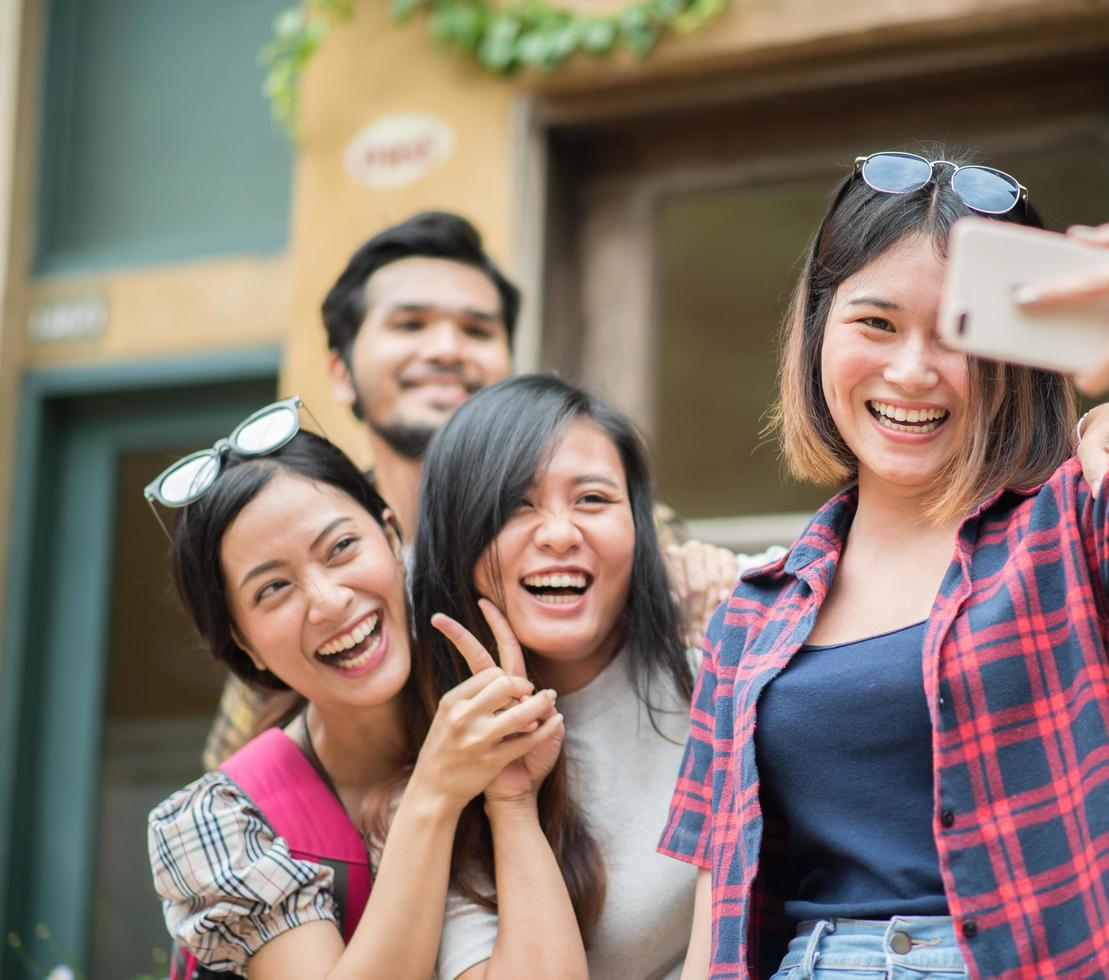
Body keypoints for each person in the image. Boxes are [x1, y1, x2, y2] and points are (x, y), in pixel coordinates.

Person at [661, 147, 1109, 978]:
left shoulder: (1072, 526)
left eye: (955, 331)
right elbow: (720, 902)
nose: (912, 370)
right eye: (876, 323)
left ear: (1012, 359)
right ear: (818, 329)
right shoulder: (752, 611)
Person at [201, 211, 735, 768]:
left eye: (477, 330)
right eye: (410, 325)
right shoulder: (311, 565)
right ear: (341, 372)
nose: (446, 349)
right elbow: (238, 774)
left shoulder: (616, 527)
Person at [145, 413, 577, 978]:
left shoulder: (495, 706)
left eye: (341, 547)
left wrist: (511, 801)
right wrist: (434, 793)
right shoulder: (222, 825)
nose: (328, 601)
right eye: (274, 588)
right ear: (242, 643)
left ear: (393, 537)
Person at [407, 374, 699, 980]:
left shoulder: (722, 668)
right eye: (516, 504)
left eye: (592, 499)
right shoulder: (438, 764)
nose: (560, 534)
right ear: (455, 542)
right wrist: (509, 800)